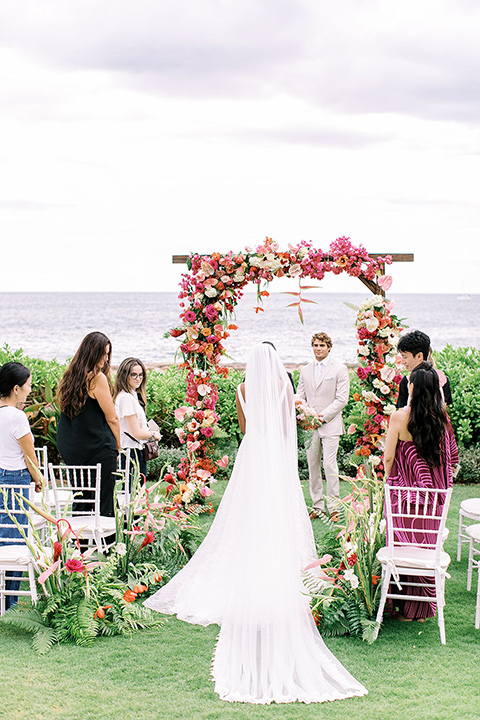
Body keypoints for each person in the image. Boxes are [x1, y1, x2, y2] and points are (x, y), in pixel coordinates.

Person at [144, 343, 367, 704]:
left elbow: (245, 427)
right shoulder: (283, 389)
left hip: (252, 452)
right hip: (274, 454)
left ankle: (248, 559)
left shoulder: (241, 389)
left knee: (245, 511)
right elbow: (285, 427)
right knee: (277, 508)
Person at [383, 361, 459, 621]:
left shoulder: (398, 417)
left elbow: (388, 459)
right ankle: (422, 609)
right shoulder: (442, 419)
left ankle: (403, 607)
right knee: (424, 548)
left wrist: (388, 479)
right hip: (431, 505)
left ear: (412, 387)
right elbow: (450, 459)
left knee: (402, 544)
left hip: (401, 502)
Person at [56, 332, 121, 517]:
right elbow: (112, 418)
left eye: (108, 354)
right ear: (93, 353)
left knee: (82, 503)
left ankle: (81, 545)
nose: (106, 359)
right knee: (105, 504)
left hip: (74, 452)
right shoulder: (97, 378)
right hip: (98, 448)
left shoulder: (71, 377)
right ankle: (108, 545)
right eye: (103, 354)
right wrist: (118, 445)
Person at [0, 361, 42, 609]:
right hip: (15, 479)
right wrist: (38, 480)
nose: (29, 390)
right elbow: (30, 457)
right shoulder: (17, 417)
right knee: (15, 541)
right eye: (27, 386)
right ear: (16, 388)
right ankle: (10, 602)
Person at [297, 332, 350, 520]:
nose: (318, 348)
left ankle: (334, 507)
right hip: (310, 426)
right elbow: (300, 397)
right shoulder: (305, 370)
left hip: (331, 424)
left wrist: (323, 416)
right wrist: (306, 414)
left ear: (329, 347)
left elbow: (342, 399)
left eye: (322, 345)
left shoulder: (340, 369)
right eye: (315, 345)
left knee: (329, 465)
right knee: (313, 466)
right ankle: (317, 506)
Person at [114, 357, 161, 483]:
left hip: (134, 451)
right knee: (134, 494)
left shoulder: (132, 395)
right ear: (124, 375)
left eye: (141, 375)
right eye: (133, 375)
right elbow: (136, 432)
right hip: (131, 452)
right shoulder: (126, 398)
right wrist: (154, 434)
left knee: (135, 493)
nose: (138, 378)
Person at [396, 330, 452, 408]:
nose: (402, 361)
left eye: (405, 357)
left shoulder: (407, 382)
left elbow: (402, 414)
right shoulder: (441, 379)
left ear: (419, 356)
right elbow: (443, 412)